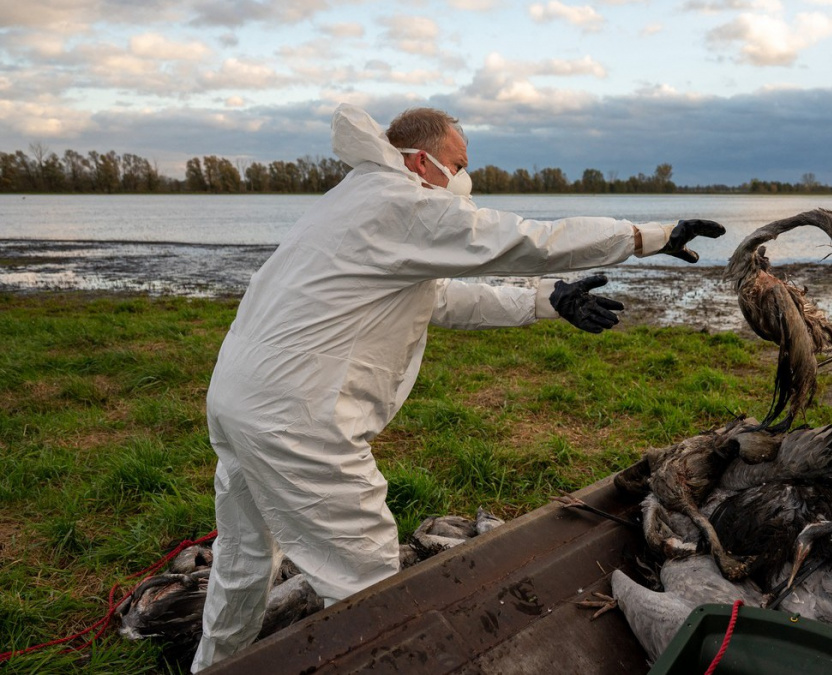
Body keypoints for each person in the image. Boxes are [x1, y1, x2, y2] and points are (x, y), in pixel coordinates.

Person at [191, 103, 725, 671]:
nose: (466, 177)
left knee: (244, 555)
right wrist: (646, 236)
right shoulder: (399, 203)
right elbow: (525, 239)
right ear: (422, 161)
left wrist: (549, 300)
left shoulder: (359, 199)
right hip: (298, 417)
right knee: (366, 582)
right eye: (459, 163)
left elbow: (439, 297)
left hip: (239, 400)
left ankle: (213, 664)